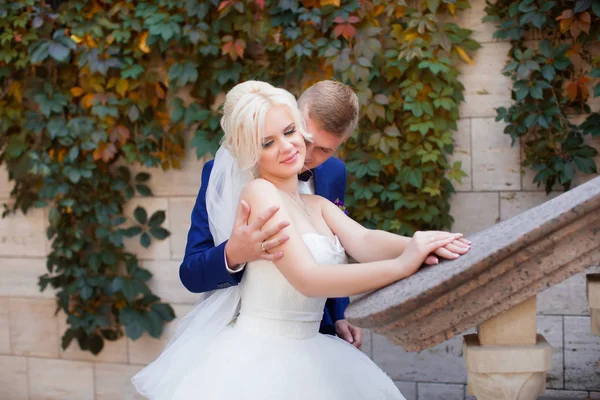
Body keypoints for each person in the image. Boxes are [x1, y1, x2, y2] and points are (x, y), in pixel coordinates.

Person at [132, 81, 470, 399]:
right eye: (268, 142)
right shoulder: (259, 192)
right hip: (262, 356)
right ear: (250, 153)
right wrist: (402, 265)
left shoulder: (317, 201)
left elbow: (363, 240)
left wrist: (422, 241)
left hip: (314, 343)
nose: (295, 149)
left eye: (290, 133)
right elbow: (308, 277)